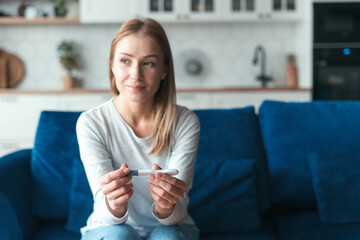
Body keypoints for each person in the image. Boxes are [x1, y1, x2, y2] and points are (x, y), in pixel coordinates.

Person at [76, 18, 200, 240]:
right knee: (117, 236)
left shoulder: (185, 121)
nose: (136, 75)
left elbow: (178, 213)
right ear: (112, 65)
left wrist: (166, 206)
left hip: (172, 228)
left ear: (164, 70)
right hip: (108, 227)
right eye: (125, 61)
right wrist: (114, 203)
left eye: (149, 63)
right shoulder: (91, 123)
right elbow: (103, 210)